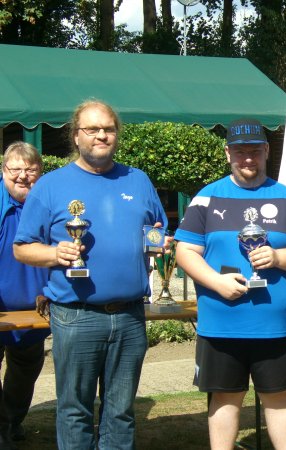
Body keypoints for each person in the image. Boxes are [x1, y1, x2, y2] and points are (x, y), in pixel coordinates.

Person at [13, 100, 167, 450]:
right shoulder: (50, 185)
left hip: (130, 315)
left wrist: (159, 242)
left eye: (108, 129)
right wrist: (54, 253)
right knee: (74, 411)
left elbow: (157, 230)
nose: (101, 135)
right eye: (92, 129)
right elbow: (22, 248)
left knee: (121, 412)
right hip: (76, 316)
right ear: (76, 135)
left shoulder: (138, 180)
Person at [175, 118, 286, 450]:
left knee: (279, 399)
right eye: (240, 151)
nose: (248, 159)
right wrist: (216, 282)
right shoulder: (206, 198)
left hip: (275, 326)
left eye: (255, 151)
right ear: (227, 153)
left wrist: (279, 257)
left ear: (267, 151)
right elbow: (185, 251)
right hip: (221, 325)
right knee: (224, 399)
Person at [0, 142, 49, 450]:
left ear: (40, 173)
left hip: (35, 310)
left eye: (30, 170)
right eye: (15, 169)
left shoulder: (49, 203)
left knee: (26, 370)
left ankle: (11, 421)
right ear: (3, 171)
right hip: (0, 308)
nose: (22, 176)